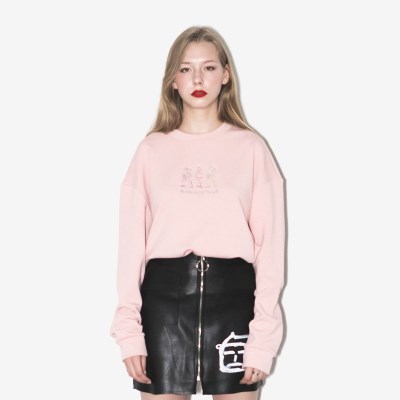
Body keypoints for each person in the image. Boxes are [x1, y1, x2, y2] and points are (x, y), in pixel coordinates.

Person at [109, 25, 286, 400]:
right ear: (173, 80)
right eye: (186, 69)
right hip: (163, 308)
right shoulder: (150, 151)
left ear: (225, 75)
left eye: (208, 67)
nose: (198, 79)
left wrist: (263, 338)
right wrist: (129, 332)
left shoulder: (252, 149)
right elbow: (130, 250)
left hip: (234, 304)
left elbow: (270, 251)